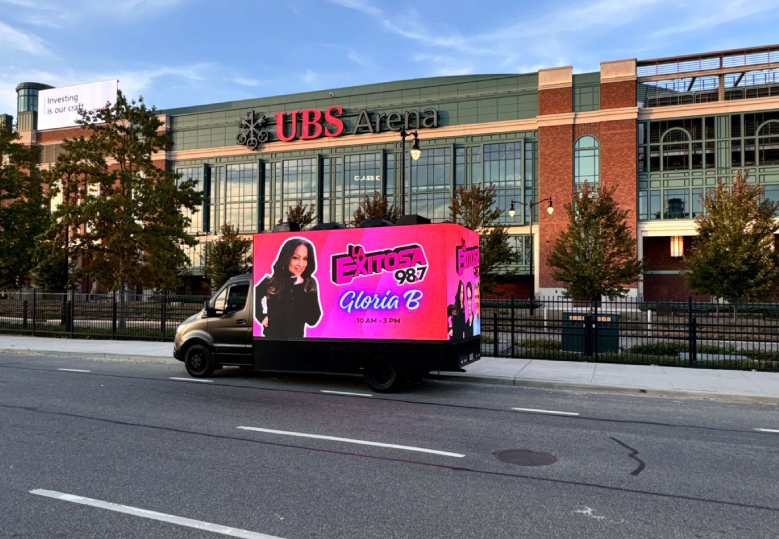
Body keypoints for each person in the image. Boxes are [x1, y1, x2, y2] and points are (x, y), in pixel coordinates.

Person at [255, 238, 322, 339]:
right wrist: (261, 317)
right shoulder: (272, 281)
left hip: (296, 342)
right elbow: (254, 295)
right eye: (295, 257)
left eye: (305, 258)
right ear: (286, 258)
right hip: (272, 341)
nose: (301, 264)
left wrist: (299, 287)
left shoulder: (309, 283)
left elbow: (313, 320)